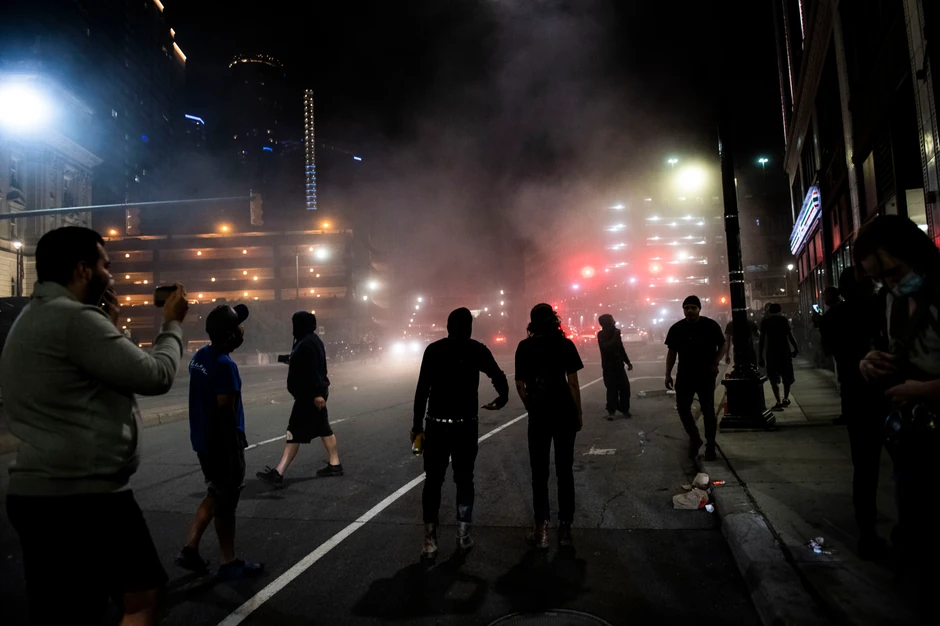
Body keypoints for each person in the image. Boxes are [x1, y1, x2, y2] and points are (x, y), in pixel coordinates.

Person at [0, 227, 189, 626]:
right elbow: (156, 375)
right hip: (83, 496)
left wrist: (110, 328)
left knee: (69, 612)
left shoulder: (37, 316)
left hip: (42, 492)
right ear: (84, 270)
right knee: (143, 596)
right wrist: (172, 323)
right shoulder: (74, 320)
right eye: (107, 265)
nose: (113, 275)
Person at [855, 215, 940, 618]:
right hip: (913, 436)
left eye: (892, 271)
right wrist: (867, 364)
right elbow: (882, 349)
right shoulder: (885, 301)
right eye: (878, 278)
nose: (889, 283)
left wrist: (926, 389)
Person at [411, 308, 509, 559]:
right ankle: (463, 536)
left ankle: (429, 541)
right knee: (464, 479)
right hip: (465, 426)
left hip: (436, 424)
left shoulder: (433, 350)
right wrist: (501, 398)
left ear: (447, 326)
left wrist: (416, 426)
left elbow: (422, 389)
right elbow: (498, 376)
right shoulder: (477, 349)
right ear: (469, 327)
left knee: (433, 481)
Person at [176, 304, 263, 580]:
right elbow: (226, 411)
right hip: (221, 444)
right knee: (227, 502)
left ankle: (190, 549)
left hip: (202, 440)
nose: (242, 330)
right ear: (230, 334)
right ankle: (229, 562)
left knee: (215, 493)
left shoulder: (201, 356)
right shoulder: (225, 366)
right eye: (239, 326)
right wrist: (234, 454)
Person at [815, 266, 889, 558]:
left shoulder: (834, 317)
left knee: (865, 468)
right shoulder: (880, 307)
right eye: (867, 279)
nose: (871, 282)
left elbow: (829, 349)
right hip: (884, 392)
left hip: (857, 394)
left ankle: (867, 534)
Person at [515, 303, 584, 549]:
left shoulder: (524, 347)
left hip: (539, 415)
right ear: (554, 320)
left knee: (539, 473)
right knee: (565, 470)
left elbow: (520, 384)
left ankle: (541, 528)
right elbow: (573, 383)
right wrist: (578, 414)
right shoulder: (565, 345)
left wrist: (529, 406)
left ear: (533, 322)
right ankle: (565, 527)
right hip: (564, 411)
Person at [257, 311, 341, 487]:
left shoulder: (307, 343)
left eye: (295, 323)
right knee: (324, 429)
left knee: (293, 432)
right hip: (312, 394)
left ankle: (278, 473)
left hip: (309, 396)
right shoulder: (309, 340)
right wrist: (287, 359)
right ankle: (335, 464)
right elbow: (303, 363)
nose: (292, 328)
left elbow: (313, 370)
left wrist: (317, 394)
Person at [664, 295, 727, 461]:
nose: (690, 310)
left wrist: (715, 362)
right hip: (685, 375)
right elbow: (671, 353)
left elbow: (723, 344)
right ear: (683, 310)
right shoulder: (676, 328)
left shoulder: (710, 325)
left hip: (706, 374)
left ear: (699, 309)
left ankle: (711, 446)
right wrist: (667, 374)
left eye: (693, 307)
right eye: (687, 308)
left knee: (708, 411)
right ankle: (695, 438)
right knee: (683, 408)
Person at [758, 303, 800, 410]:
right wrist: (796, 348)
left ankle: (778, 401)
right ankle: (786, 398)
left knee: (773, 378)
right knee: (787, 376)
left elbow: (761, 340)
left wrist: (760, 356)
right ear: (780, 310)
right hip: (784, 352)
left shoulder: (765, 322)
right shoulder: (783, 320)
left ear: (769, 311)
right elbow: (790, 336)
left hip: (771, 353)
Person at [596, 314, 633, 420]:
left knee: (625, 388)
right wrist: (616, 336)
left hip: (619, 366)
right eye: (612, 321)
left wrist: (627, 362)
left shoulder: (615, 332)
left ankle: (625, 409)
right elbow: (607, 347)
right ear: (607, 323)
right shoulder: (601, 335)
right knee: (612, 389)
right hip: (608, 367)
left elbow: (621, 349)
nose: (614, 322)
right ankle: (611, 411)